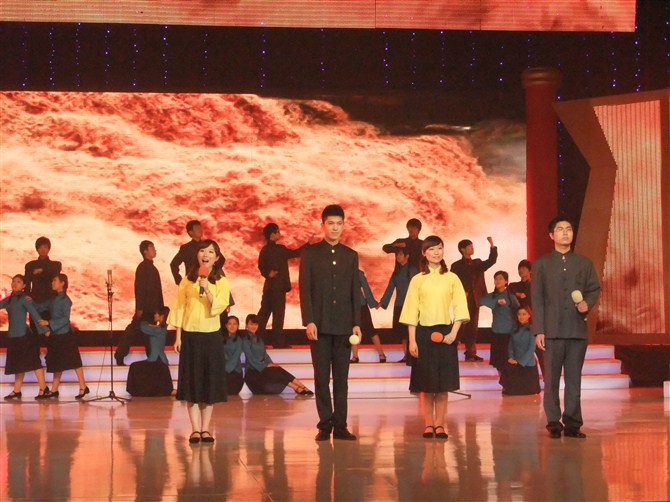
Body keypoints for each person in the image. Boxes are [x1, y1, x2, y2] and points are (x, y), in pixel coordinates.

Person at [533, 216, 601, 439]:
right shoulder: (542, 264)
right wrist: (539, 330)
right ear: (551, 235)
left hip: (576, 330)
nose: (565, 233)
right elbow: (537, 299)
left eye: (569, 229)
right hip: (551, 331)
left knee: (574, 379)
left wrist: (587, 303)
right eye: (560, 229)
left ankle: (573, 423)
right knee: (551, 379)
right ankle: (553, 421)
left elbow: (594, 289)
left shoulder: (584, 263)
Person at [299, 204, 361, 441]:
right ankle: (325, 425)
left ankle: (341, 425)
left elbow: (355, 291)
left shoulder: (350, 255)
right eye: (331, 223)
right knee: (321, 378)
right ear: (322, 225)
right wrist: (309, 320)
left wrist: (356, 322)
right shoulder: (310, 254)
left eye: (339, 223)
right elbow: (305, 290)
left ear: (343, 225)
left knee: (342, 380)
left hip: (344, 326)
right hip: (320, 326)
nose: (335, 228)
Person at [400, 235, 470, 439]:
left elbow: (461, 307)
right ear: (424, 253)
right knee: (426, 385)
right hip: (423, 334)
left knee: (442, 385)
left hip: (446, 333)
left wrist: (453, 333)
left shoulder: (452, 278)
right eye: (431, 249)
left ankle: (440, 425)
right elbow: (411, 311)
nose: (436, 252)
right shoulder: (417, 279)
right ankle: (428, 424)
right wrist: (412, 340)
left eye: (439, 248)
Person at [168, 239, 230, 444]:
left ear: (217, 257)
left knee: (208, 384)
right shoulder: (187, 280)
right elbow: (179, 307)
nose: (206, 255)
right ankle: (195, 429)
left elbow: (220, 306)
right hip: (191, 336)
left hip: (211, 336)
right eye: (202, 251)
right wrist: (178, 336)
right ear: (197, 255)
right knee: (192, 384)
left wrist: (208, 290)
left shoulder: (221, 280)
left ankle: (206, 429)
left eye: (210, 252)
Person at [35, 274, 89, 400]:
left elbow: (65, 319)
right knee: (57, 362)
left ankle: (83, 386)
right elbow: (41, 306)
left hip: (65, 335)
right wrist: (29, 303)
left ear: (62, 283)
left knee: (75, 361)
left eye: (55, 280)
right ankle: (54, 390)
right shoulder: (53, 298)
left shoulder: (66, 300)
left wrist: (48, 323)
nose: (52, 283)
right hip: (56, 335)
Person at [257, 223, 307, 348]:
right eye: (278, 232)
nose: (280, 234)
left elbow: (261, 266)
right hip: (278, 288)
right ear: (272, 234)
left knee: (263, 315)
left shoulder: (265, 250)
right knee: (278, 316)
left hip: (269, 287)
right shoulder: (279, 249)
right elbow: (295, 253)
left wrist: (268, 274)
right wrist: (308, 245)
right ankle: (277, 341)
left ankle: (257, 341)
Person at [115, 240, 165, 366]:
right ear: (145, 251)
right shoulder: (143, 267)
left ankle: (153, 360)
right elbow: (140, 289)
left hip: (150, 309)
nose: (155, 250)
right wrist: (140, 308)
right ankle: (120, 355)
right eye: (152, 247)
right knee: (135, 333)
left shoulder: (152, 268)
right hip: (145, 310)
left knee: (147, 335)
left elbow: (157, 291)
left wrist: (159, 310)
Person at [1, 274, 49, 400]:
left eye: (18, 281)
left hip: (24, 336)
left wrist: (44, 330)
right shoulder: (9, 299)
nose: (15, 283)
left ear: (24, 286)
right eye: (13, 281)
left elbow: (34, 314)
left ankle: (43, 388)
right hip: (13, 337)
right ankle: (17, 391)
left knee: (34, 362)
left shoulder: (24, 298)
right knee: (17, 364)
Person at [450, 237, 498, 362]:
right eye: (469, 246)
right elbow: (453, 282)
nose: (472, 248)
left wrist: (492, 246)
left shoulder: (477, 263)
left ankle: (470, 352)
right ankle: (450, 350)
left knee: (473, 327)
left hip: (475, 299)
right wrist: (461, 292)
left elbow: (491, 261)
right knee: (460, 326)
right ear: (463, 249)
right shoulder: (456, 266)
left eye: (472, 246)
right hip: (463, 300)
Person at [242, 314, 313, 395]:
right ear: (246, 325)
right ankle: (296, 387)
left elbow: (265, 355)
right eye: (251, 324)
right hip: (253, 372)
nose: (253, 326)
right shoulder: (245, 340)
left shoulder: (259, 339)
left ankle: (302, 386)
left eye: (255, 324)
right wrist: (265, 365)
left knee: (276, 368)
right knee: (273, 371)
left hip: (263, 369)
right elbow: (251, 359)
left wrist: (271, 364)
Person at [380, 249, 419, 363]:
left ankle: (414, 354)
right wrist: (382, 302)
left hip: (411, 305)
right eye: (397, 254)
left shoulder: (412, 270)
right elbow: (390, 287)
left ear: (407, 256)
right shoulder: (396, 271)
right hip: (399, 305)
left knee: (411, 331)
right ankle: (406, 355)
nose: (398, 256)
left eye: (400, 254)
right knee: (402, 332)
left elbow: (417, 288)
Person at [479, 271, 520, 371]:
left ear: (506, 281)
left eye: (500, 278)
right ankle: (502, 380)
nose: (497, 281)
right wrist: (496, 302)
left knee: (508, 361)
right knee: (498, 362)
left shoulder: (510, 296)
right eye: (496, 279)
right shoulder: (492, 296)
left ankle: (507, 380)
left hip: (509, 333)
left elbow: (518, 310)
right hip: (496, 332)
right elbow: (481, 300)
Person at [499, 306, 540, 395]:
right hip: (515, 361)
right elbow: (511, 346)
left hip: (527, 364)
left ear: (529, 315)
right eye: (519, 314)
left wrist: (520, 362)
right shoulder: (514, 329)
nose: (521, 317)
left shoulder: (533, 329)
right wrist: (511, 357)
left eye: (524, 314)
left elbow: (531, 349)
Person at [170, 220, 225, 286]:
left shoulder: (208, 245)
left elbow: (221, 259)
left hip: (209, 281)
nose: (200, 230)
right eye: (197, 228)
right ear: (191, 232)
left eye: (200, 228)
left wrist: (213, 272)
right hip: (192, 282)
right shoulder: (186, 248)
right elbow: (174, 264)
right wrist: (179, 281)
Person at [350, 269, 386, 363]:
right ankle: (355, 356)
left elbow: (366, 289)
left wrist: (373, 303)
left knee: (370, 329)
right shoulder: (341, 272)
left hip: (360, 305)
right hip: (347, 306)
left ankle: (381, 354)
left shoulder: (358, 273)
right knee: (351, 331)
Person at [24, 236, 62, 304]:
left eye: (45, 247)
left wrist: (42, 270)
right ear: (37, 249)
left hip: (51, 299)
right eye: (40, 247)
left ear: (49, 249)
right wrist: (27, 297)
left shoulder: (56, 265)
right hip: (35, 299)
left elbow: (55, 272)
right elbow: (27, 283)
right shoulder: (30, 265)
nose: (43, 249)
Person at [222, 316, 245, 396]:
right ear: (226, 325)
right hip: (223, 370)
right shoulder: (221, 340)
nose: (232, 326)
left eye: (234, 324)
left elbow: (235, 358)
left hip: (235, 372)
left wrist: (224, 370)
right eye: (230, 324)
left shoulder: (239, 340)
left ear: (238, 326)